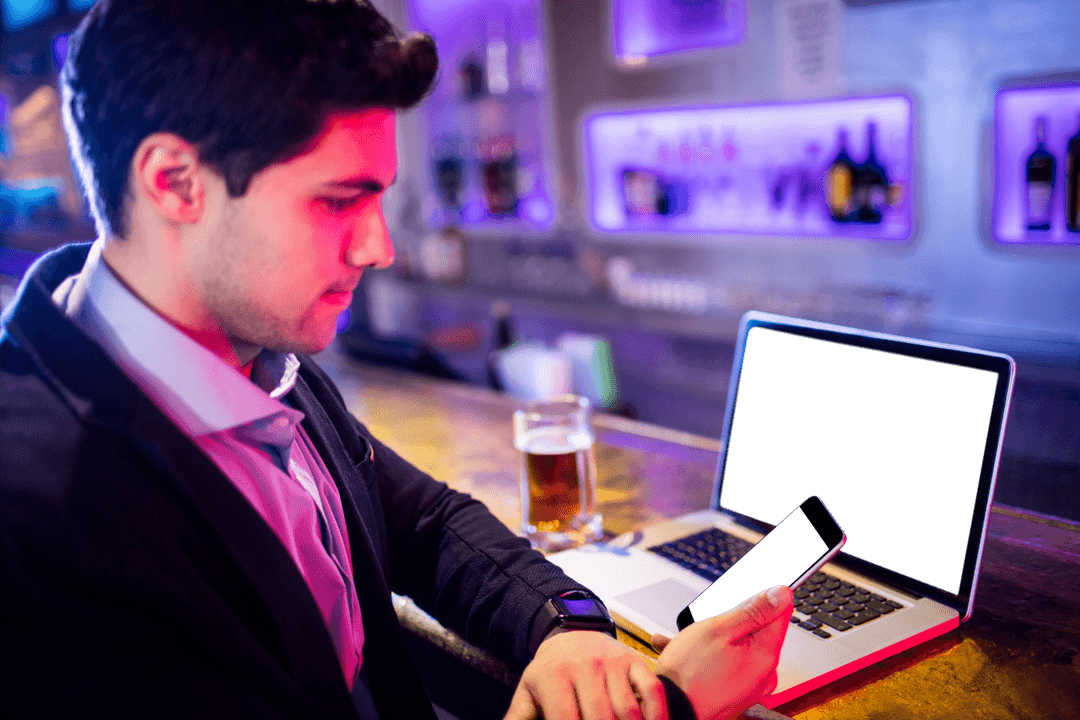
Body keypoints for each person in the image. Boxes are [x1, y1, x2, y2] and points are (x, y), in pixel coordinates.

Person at [0, 1, 794, 718]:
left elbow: (423, 521)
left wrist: (567, 627)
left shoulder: (262, 362)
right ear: (175, 182)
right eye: (339, 201)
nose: (378, 247)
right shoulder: (43, 519)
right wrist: (674, 705)